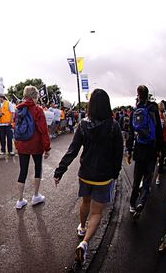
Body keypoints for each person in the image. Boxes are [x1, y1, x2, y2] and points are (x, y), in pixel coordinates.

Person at [54, 89, 123, 265]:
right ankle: (85, 243)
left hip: (85, 174)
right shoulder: (114, 126)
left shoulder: (83, 125)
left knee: (85, 202)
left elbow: (73, 150)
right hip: (104, 176)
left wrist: (60, 170)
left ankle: (82, 227)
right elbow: (118, 153)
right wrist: (115, 172)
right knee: (97, 211)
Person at [126, 85, 162, 218]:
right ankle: (142, 201)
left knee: (137, 179)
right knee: (147, 179)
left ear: (138, 95)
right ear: (148, 95)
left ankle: (132, 204)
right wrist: (159, 149)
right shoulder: (153, 108)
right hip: (151, 149)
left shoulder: (136, 110)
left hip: (139, 149)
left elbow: (130, 132)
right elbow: (158, 129)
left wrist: (129, 150)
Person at [14, 86, 51, 209]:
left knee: (22, 171)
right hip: (36, 144)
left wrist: (16, 144)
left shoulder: (18, 109)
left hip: (22, 143)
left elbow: (16, 127)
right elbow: (44, 130)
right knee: (38, 167)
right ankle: (35, 196)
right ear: (35, 96)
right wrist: (47, 148)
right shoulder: (38, 110)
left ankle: (20, 200)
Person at [155, 100, 166, 185]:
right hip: (156, 140)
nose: (161, 106)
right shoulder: (155, 115)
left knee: (161, 158)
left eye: (162, 105)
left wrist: (164, 116)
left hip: (163, 140)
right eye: (160, 105)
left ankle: (158, 177)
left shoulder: (165, 116)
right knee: (153, 159)